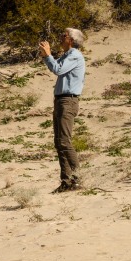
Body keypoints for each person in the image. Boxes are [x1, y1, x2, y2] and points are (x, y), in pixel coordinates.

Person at [38, 28, 85, 192]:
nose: (60, 37)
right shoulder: (67, 55)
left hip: (68, 101)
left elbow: (57, 69)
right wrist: (47, 57)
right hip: (60, 100)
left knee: (64, 141)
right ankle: (66, 181)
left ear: (71, 40)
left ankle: (78, 178)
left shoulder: (74, 55)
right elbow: (56, 67)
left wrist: (48, 55)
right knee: (59, 142)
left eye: (63, 35)